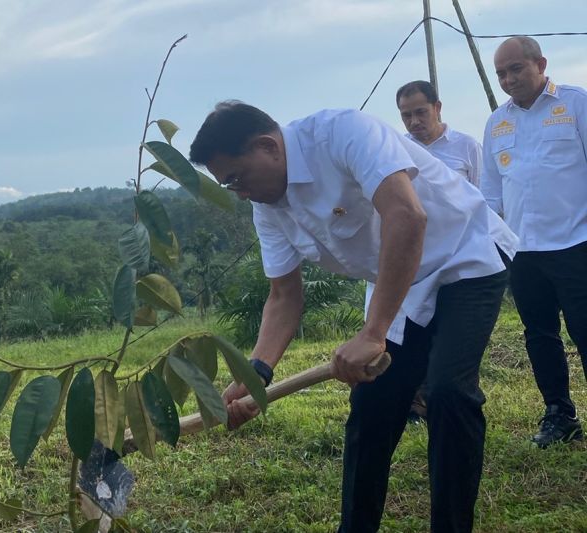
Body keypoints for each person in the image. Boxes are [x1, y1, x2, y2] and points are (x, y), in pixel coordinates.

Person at [190, 101, 517, 532]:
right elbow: (284, 296)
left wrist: (373, 332)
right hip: (402, 282)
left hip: (466, 254)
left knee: (448, 393)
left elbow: (407, 215)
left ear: (268, 146)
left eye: (236, 178)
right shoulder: (267, 207)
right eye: (228, 185)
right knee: (372, 405)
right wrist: (256, 374)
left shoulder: (342, 133)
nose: (239, 192)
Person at [481, 36, 587, 448]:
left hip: (576, 243)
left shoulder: (575, 104)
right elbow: (491, 194)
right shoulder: (496, 123)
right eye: (501, 74)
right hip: (523, 251)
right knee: (539, 334)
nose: (508, 80)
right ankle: (559, 415)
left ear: (540, 64)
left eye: (516, 69)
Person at [373, 80, 489, 421]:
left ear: (437, 108)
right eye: (406, 115)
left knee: (453, 334)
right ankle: (415, 399)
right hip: (416, 258)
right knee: (414, 330)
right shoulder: (396, 152)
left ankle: (450, 396)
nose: (414, 122)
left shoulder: (467, 147)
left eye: (420, 112)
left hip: (461, 258)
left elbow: (482, 199)